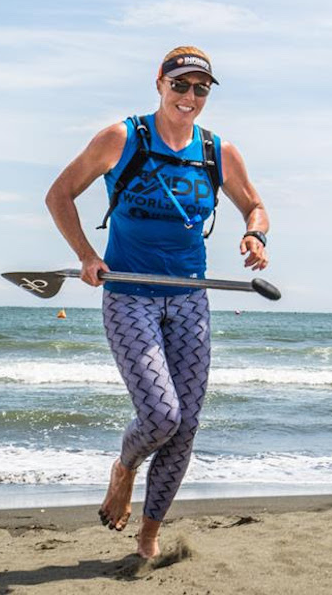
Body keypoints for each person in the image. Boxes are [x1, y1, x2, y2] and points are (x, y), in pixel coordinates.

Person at [45, 46, 270, 559]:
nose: (190, 97)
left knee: (186, 426)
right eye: (181, 85)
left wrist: (256, 237)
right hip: (129, 296)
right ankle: (124, 469)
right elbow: (59, 194)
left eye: (200, 89)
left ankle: (148, 537)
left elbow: (255, 206)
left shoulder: (218, 152)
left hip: (190, 299)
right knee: (163, 415)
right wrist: (85, 255)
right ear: (160, 84)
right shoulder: (122, 138)